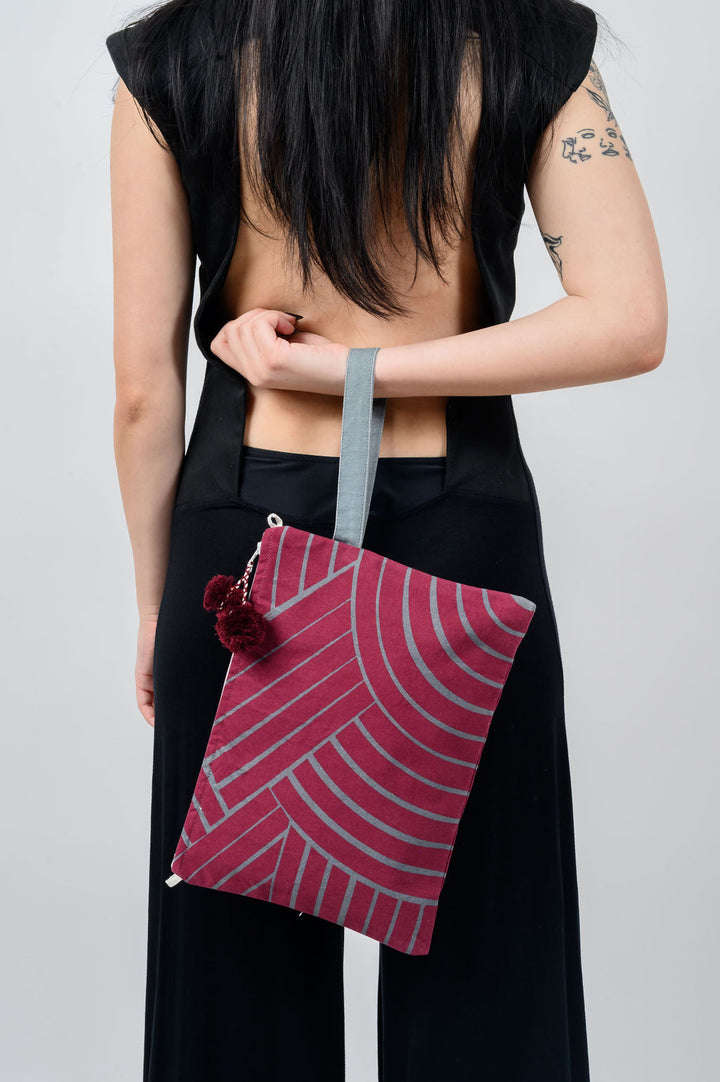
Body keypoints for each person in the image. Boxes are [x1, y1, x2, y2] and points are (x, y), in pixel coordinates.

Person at [105, 1, 667, 1079]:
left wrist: (152, 602)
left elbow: (142, 396)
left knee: (230, 994)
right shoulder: (528, 43)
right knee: (490, 978)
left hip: (239, 567)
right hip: (465, 542)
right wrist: (379, 370)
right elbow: (631, 320)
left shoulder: (171, 58)